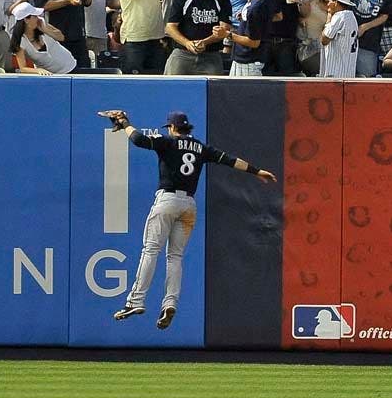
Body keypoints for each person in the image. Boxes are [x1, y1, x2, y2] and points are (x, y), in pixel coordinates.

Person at [105, 110, 276, 330]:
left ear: (173, 128)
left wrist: (125, 123)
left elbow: (138, 139)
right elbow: (231, 161)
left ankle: (135, 301)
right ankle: (170, 303)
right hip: (188, 206)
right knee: (175, 256)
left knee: (150, 251)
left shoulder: (168, 142)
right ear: (188, 128)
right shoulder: (201, 148)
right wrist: (257, 171)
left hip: (167, 200)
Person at [163, 0, 232, 75]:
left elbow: (224, 29)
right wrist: (187, 43)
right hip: (183, 52)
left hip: (211, 54)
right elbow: (170, 27)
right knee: (171, 83)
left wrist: (205, 42)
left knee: (216, 85)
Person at [9, 1, 78, 72]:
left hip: (71, 66)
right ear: (26, 20)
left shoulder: (42, 23)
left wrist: (46, 30)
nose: (38, 18)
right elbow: (23, 68)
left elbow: (61, 37)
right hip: (52, 76)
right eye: (35, 16)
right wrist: (38, 70)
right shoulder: (20, 41)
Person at [31, 0, 90, 70]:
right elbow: (42, 5)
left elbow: (87, 2)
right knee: (61, 72)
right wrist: (67, 1)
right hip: (56, 38)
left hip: (78, 35)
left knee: (84, 71)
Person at [319, 0, 357, 77]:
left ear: (335, 2)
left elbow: (324, 40)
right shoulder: (352, 17)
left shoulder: (339, 16)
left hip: (335, 74)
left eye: (329, 1)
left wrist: (329, 17)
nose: (328, 4)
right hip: (348, 73)